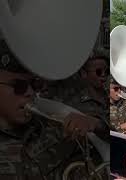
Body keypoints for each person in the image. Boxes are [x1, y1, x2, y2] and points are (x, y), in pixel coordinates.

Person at [0, 40, 107, 179]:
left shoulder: (51, 122)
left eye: (34, 84)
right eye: (19, 86)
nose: (30, 92)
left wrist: (96, 123)